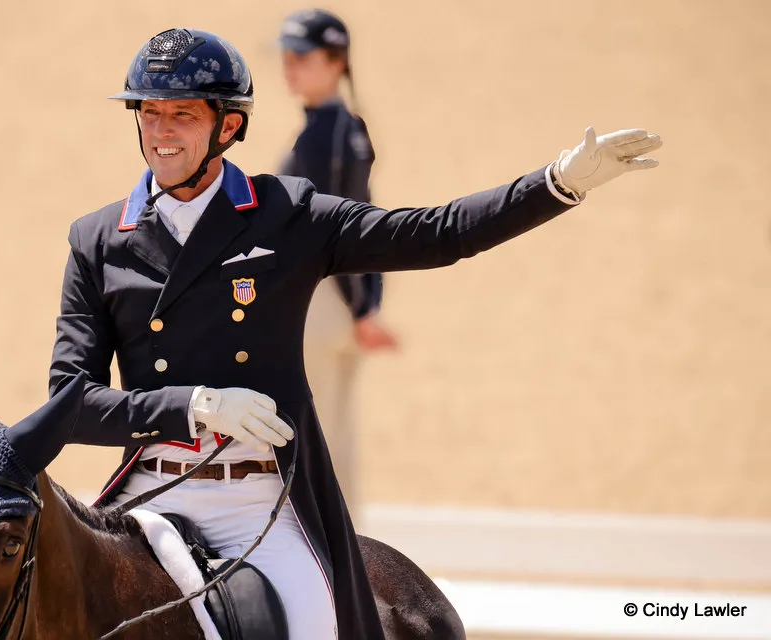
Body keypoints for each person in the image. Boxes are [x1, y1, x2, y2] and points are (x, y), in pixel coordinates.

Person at [47, 27, 662, 640]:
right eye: (149, 113)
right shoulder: (98, 240)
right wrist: (195, 406)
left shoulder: (285, 215)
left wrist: (558, 182)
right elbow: (70, 405)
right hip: (149, 498)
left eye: (181, 114)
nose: (161, 132)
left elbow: (437, 232)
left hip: (260, 502)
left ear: (228, 126)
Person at [278, 8, 397, 504]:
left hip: (323, 296)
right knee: (334, 434)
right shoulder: (347, 127)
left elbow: (339, 227)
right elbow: (367, 220)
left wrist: (359, 305)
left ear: (335, 60)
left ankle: (326, 555)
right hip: (339, 295)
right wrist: (368, 301)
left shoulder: (323, 135)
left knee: (310, 433)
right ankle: (346, 552)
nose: (290, 67)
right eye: (287, 56)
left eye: (302, 57)